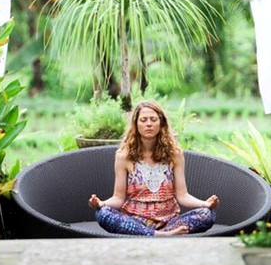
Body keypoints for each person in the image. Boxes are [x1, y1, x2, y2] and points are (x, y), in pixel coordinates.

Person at [88, 100, 219, 236]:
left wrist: (205, 204)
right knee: (103, 214)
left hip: (170, 222)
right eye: (143, 120)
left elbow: (182, 195)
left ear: (161, 123)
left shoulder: (175, 154)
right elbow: (118, 198)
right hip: (135, 222)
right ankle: (159, 235)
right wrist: (101, 204)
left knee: (207, 214)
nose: (149, 124)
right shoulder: (123, 156)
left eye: (153, 119)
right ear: (136, 124)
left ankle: (156, 233)